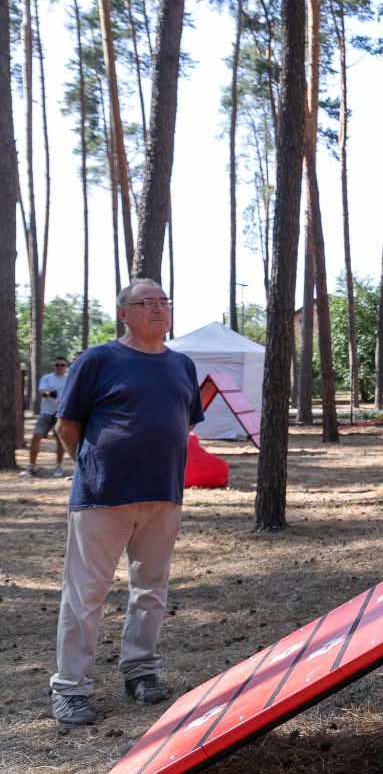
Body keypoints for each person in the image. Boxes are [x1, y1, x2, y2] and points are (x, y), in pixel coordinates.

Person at [45, 279, 204, 727]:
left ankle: (141, 671)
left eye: (163, 301)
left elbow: (181, 424)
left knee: (151, 591)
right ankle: (70, 689)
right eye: (146, 302)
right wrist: (97, 466)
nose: (158, 308)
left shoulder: (182, 365)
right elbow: (66, 425)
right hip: (102, 497)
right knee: (85, 596)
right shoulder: (98, 359)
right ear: (123, 313)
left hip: (163, 497)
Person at [21, 356, 70, 477]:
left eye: (62, 365)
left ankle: (58, 467)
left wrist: (63, 401)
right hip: (46, 412)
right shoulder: (47, 378)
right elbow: (41, 392)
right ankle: (31, 466)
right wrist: (50, 395)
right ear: (54, 366)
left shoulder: (69, 379)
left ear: (66, 367)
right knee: (36, 437)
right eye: (57, 365)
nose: (59, 367)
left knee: (60, 441)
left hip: (61, 414)